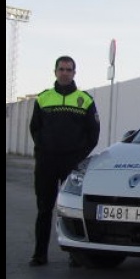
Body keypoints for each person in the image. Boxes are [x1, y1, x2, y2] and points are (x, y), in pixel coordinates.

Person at [29, 56, 101, 267]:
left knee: (72, 210)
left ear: (74, 73)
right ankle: (39, 254)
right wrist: (43, 150)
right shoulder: (43, 98)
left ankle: (75, 255)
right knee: (44, 209)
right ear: (55, 72)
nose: (65, 73)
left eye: (69, 70)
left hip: (72, 163)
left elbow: (93, 134)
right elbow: (35, 128)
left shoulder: (85, 100)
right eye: (61, 69)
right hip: (47, 162)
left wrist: (78, 156)